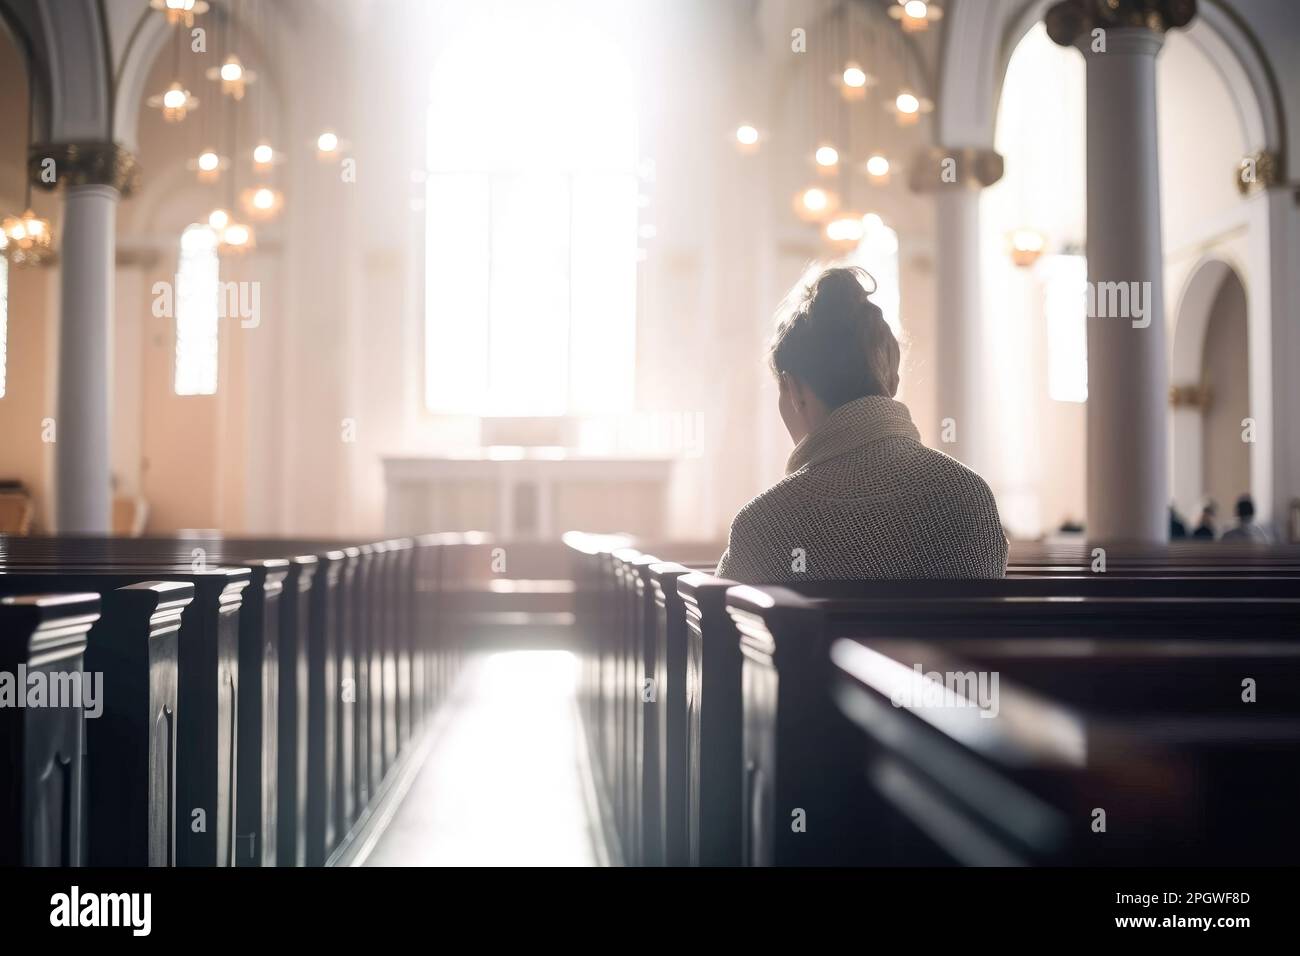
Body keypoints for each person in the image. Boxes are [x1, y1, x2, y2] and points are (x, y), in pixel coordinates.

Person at [716, 266, 1007, 582]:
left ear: (793, 390)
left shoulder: (763, 524)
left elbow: (720, 625)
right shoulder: (969, 495)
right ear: (893, 380)